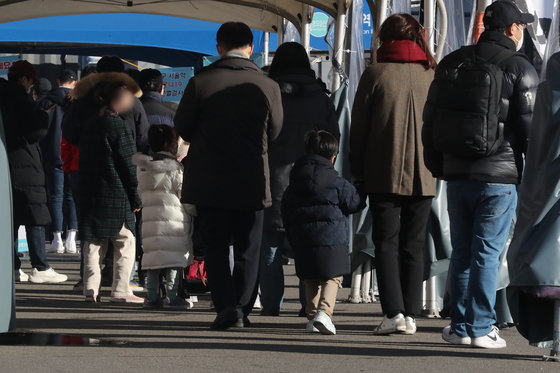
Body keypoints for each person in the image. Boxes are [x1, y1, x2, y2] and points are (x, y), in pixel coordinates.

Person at [422, 0, 538, 348]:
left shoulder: (451, 63)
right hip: (499, 178)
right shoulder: (520, 67)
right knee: (487, 252)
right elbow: (532, 131)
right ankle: (482, 326)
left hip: (456, 174)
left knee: (461, 251)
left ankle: (459, 326)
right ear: (510, 29)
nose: (523, 31)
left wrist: (438, 166)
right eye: (521, 25)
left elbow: (430, 122)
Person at [174, 21, 283, 330]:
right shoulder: (268, 85)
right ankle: (242, 307)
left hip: (210, 178)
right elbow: (275, 131)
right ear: (250, 48)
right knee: (250, 247)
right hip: (252, 178)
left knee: (217, 247)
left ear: (219, 47)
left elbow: (182, 128)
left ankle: (224, 307)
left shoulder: (201, 82)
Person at [350, 13, 437, 336]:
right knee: (414, 244)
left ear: (385, 39)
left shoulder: (375, 73)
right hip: (425, 172)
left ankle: (393, 313)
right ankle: (411, 313)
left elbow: (358, 129)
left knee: (385, 242)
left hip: (382, 170)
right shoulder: (431, 72)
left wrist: (355, 170)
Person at [259, 42, 340, 317]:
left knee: (269, 247)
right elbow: (334, 141)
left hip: (272, 180)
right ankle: (310, 306)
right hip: (311, 183)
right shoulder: (322, 98)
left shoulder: (267, 95)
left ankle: (270, 306)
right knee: (309, 247)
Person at [66, 71, 144, 304]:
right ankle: (121, 289)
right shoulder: (118, 125)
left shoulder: (89, 123)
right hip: (116, 193)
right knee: (125, 242)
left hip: (89, 190)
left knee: (93, 243)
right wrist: (136, 197)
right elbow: (129, 165)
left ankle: (90, 289)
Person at [282, 130, 366, 335]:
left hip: (303, 240)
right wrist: (362, 187)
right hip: (332, 241)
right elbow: (355, 203)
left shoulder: (294, 181)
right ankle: (325, 313)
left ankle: (312, 317)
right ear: (333, 157)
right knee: (332, 277)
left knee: (310, 278)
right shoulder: (337, 182)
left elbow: (285, 207)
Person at [2, 60, 67, 283]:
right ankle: (40, 267)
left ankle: (12, 266)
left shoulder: (3, 97)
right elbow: (35, 132)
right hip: (25, 164)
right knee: (35, 216)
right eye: (31, 82)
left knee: (9, 219)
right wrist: (43, 115)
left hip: (7, 163)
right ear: (25, 80)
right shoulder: (21, 99)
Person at [133, 125, 195, 310]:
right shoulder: (175, 168)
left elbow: (140, 191)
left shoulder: (142, 168)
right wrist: (193, 211)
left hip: (150, 220)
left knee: (153, 259)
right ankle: (172, 295)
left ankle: (152, 296)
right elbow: (185, 194)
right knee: (174, 260)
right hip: (173, 220)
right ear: (168, 144)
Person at [39, 69, 79, 254]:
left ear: (57, 81)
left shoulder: (46, 102)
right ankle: (71, 238)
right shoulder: (78, 103)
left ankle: (57, 238)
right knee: (71, 197)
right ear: (75, 82)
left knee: (55, 197)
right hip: (72, 154)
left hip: (53, 154)